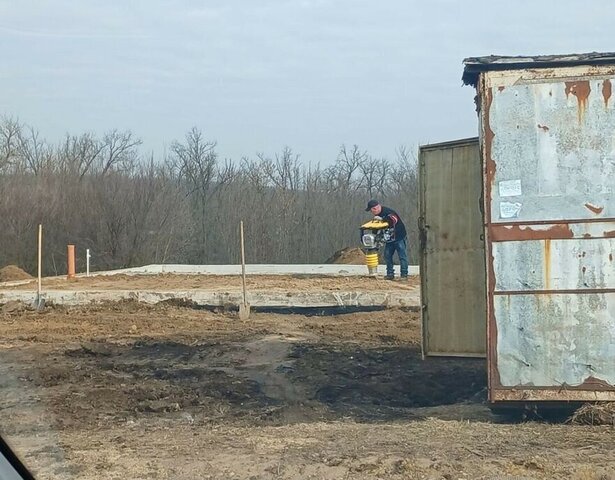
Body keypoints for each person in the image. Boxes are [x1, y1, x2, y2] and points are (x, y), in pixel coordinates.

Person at [365, 199, 408, 280]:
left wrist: (382, 219)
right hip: (389, 239)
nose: (372, 212)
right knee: (387, 256)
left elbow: (394, 220)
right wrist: (375, 236)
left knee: (402, 256)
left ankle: (404, 275)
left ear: (375, 208)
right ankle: (390, 274)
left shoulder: (388, 212)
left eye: (371, 210)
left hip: (399, 237)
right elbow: (376, 227)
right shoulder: (377, 217)